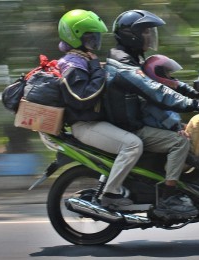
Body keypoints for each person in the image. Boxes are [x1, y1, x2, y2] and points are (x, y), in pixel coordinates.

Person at [103, 10, 199, 218]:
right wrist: (193, 104)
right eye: (145, 32)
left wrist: (196, 93)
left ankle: (187, 174)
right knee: (178, 142)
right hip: (131, 128)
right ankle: (168, 198)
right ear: (131, 34)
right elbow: (156, 91)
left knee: (180, 129)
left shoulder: (131, 59)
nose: (149, 36)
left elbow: (165, 81)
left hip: (135, 121)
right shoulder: (122, 65)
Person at [57, 9, 143, 209]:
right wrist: (97, 68)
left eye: (95, 36)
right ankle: (111, 194)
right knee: (132, 145)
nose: (94, 41)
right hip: (85, 125)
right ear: (74, 36)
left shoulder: (83, 59)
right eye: (89, 37)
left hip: (96, 122)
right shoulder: (72, 64)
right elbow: (83, 97)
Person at [142, 54, 199, 170]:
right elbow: (166, 122)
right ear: (157, 74)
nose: (170, 77)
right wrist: (179, 128)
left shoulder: (160, 94)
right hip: (168, 146)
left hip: (168, 137)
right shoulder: (152, 99)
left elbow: (179, 88)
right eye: (167, 73)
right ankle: (197, 163)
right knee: (198, 120)